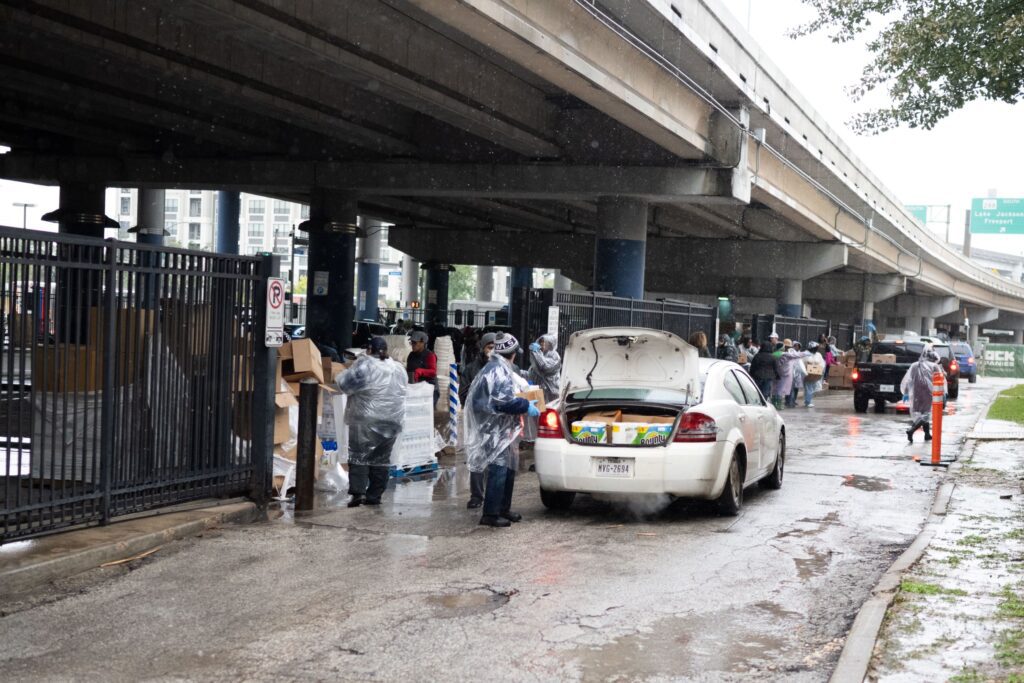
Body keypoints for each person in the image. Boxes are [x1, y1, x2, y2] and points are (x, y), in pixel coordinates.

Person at [464, 332, 539, 528]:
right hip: (493, 429)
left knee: (509, 468)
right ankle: (490, 513)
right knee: (499, 470)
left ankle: (503, 509)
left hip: (502, 429)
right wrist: (525, 405)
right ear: (513, 354)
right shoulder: (497, 370)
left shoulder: (500, 368)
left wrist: (522, 401)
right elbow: (503, 402)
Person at [336, 337, 407, 507]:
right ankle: (375, 496)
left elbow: (345, 385)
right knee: (381, 459)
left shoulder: (365, 366)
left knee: (360, 457)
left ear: (369, 349)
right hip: (392, 422)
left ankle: (358, 494)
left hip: (365, 421)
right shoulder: (398, 368)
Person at [462, 331, 496, 510]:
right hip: (477, 420)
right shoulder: (471, 369)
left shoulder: (506, 369)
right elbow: (463, 395)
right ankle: (476, 495)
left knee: (496, 461)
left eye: (496, 348)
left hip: (498, 423)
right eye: (490, 347)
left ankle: (493, 496)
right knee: (476, 458)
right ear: (483, 348)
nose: (493, 351)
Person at [901, 347, 946, 443]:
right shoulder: (934, 366)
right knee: (926, 414)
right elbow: (940, 381)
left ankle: (927, 434)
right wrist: (943, 393)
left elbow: (908, 380)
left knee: (922, 414)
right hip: (928, 394)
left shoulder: (914, 365)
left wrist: (905, 392)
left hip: (916, 393)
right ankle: (911, 430)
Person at [407, 330, 439, 406]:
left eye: (415, 343)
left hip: (430, 391)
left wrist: (421, 371)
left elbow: (433, 372)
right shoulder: (411, 355)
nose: (412, 345)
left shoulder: (430, 355)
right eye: (411, 343)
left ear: (422, 343)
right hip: (416, 389)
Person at [802, 341, 825, 407]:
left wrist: (820, 368)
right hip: (808, 373)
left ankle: (808, 400)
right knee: (809, 387)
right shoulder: (806, 354)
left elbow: (822, 363)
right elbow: (805, 362)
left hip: (816, 373)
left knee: (812, 388)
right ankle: (808, 402)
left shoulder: (818, 354)